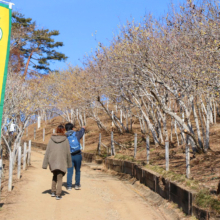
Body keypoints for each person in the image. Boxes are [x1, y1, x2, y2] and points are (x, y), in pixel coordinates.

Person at [42, 125, 72, 200]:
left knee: (54, 175)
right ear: (63, 130)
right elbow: (68, 152)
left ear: (56, 130)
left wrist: (45, 164)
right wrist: (69, 164)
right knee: (60, 177)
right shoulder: (65, 140)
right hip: (62, 161)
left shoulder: (51, 139)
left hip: (53, 160)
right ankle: (58, 194)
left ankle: (53, 192)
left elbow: (47, 151)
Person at [65, 122, 85, 190]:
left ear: (66, 129)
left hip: (69, 156)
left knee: (69, 171)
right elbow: (82, 132)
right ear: (72, 128)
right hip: (78, 155)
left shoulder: (65, 136)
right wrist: (83, 128)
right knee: (78, 170)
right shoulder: (77, 134)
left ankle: (69, 186)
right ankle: (77, 185)